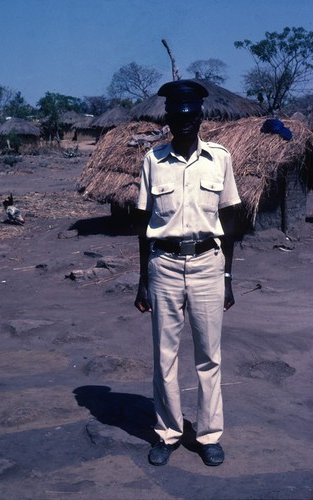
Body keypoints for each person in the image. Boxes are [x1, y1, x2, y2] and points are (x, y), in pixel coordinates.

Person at [134, 79, 241, 467]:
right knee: (164, 357)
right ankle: (168, 433)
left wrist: (227, 277)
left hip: (207, 266)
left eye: (189, 116)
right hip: (162, 266)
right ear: (167, 119)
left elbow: (228, 220)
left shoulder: (221, 159)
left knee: (208, 357)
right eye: (175, 116)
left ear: (200, 118)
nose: (183, 122)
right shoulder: (152, 160)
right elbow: (143, 221)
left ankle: (209, 435)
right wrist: (143, 280)